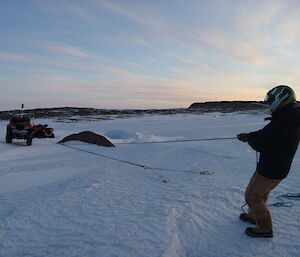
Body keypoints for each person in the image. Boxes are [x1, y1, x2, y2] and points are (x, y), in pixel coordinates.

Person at [237, 85, 300, 238]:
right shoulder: (290, 116)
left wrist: (249, 138)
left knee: (252, 196)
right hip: (278, 166)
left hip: (271, 168)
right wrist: (250, 135)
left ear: (282, 99)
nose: (269, 103)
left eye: (271, 100)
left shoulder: (284, 121)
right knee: (261, 193)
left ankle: (265, 228)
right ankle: (254, 216)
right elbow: (267, 134)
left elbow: (261, 142)